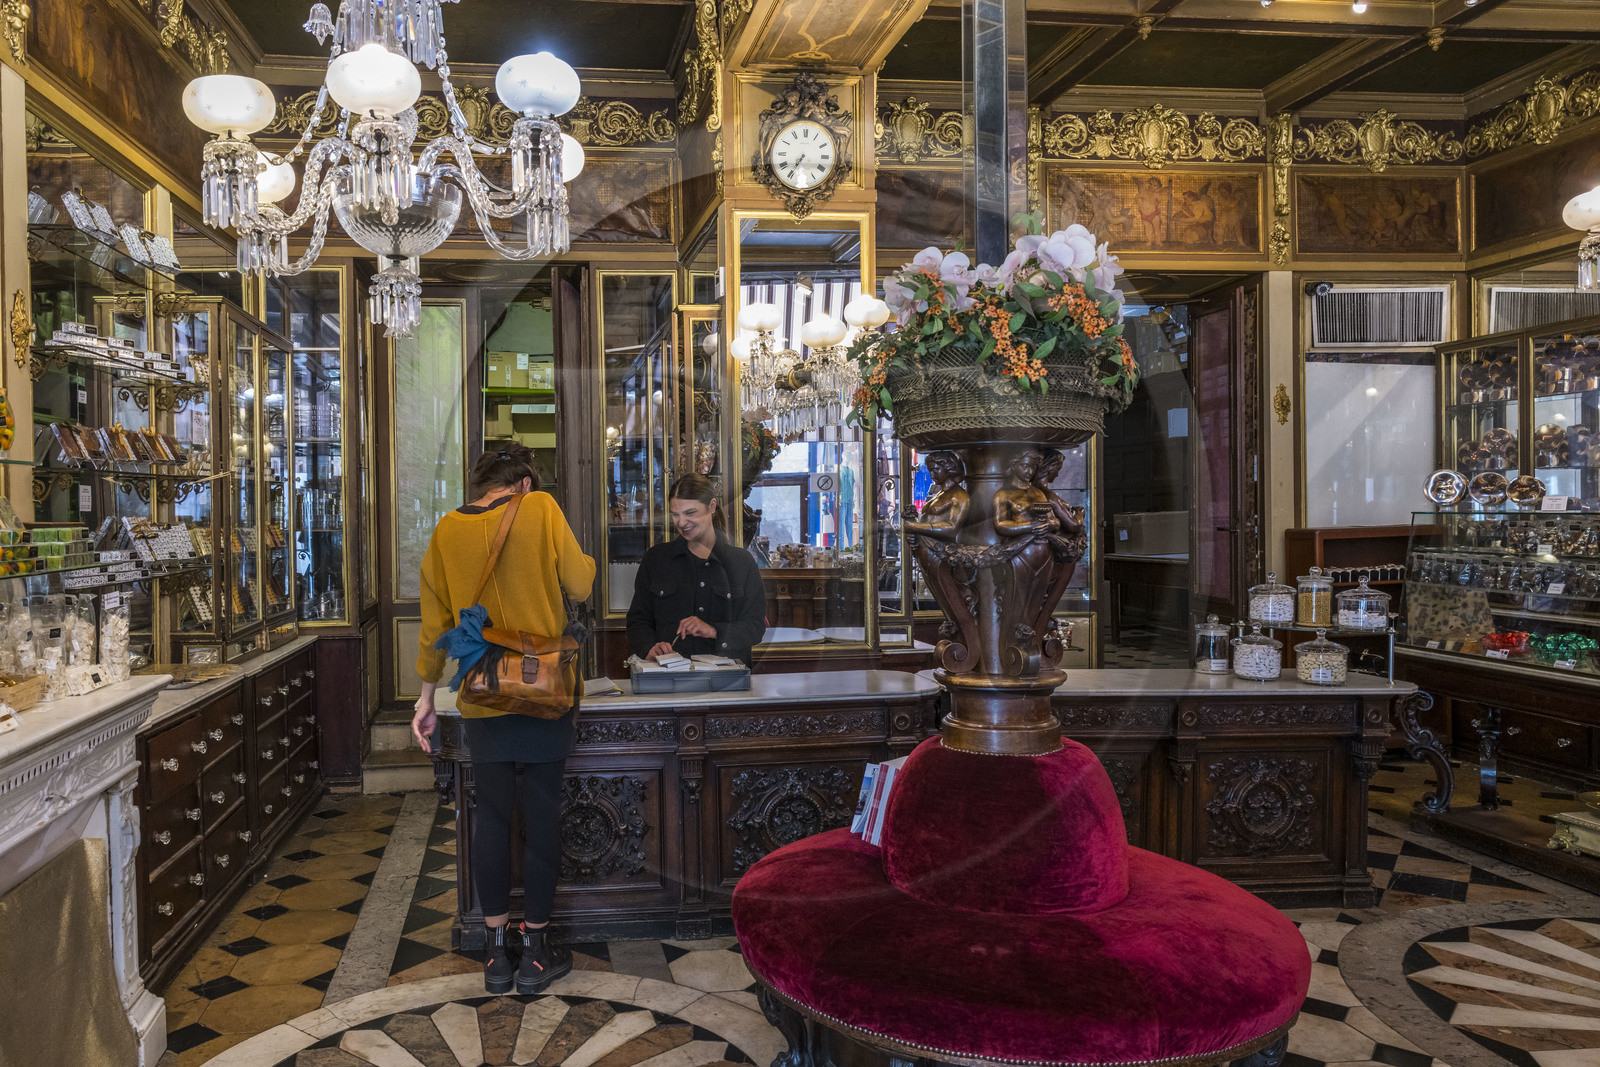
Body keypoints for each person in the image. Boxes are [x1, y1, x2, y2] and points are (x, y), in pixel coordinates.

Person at [411, 443, 595, 996]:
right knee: (541, 818)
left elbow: (433, 626)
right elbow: (582, 584)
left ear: (480, 486)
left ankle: (495, 955)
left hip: (482, 694)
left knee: (489, 817)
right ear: (524, 483)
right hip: (543, 692)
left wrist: (424, 699)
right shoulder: (540, 509)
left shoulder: (447, 530)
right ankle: (535, 954)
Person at [627, 473, 766, 666]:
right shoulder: (656, 559)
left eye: (690, 513)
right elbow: (638, 619)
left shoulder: (742, 562)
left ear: (712, 506)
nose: (682, 523)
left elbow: (755, 627)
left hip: (727, 684)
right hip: (669, 680)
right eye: (676, 515)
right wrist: (649, 647)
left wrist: (714, 631)